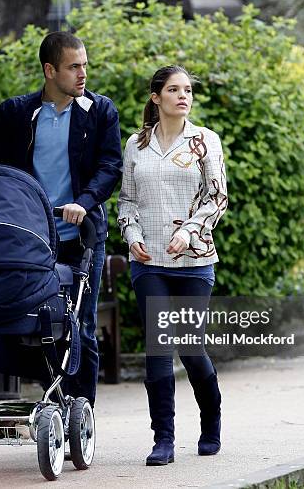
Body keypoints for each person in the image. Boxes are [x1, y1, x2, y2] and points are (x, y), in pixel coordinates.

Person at [0, 31, 122, 408]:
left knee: (83, 326)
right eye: (73, 67)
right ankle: (53, 409)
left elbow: (110, 166)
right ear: (49, 70)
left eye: (85, 66)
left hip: (83, 236)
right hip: (32, 240)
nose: (82, 74)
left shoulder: (100, 111)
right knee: (41, 322)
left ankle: (81, 419)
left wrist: (84, 202)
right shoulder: (15, 114)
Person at [117, 65, 228, 465]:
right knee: (158, 347)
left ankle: (211, 420)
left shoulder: (205, 141)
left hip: (194, 261)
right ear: (156, 97)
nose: (184, 96)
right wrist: (133, 237)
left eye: (188, 90)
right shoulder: (136, 145)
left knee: (190, 346)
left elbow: (217, 198)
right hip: (148, 263)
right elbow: (126, 201)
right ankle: (163, 439)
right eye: (175, 90)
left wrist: (190, 231)